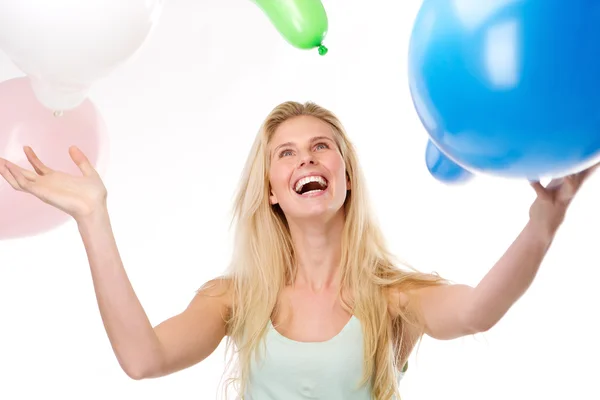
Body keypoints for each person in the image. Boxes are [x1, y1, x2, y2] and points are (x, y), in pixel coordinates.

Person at [0, 101, 596, 400]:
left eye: (321, 147)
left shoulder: (392, 298)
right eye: (286, 153)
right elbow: (143, 359)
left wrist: (544, 222)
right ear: (270, 189)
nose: (306, 158)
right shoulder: (235, 299)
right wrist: (93, 217)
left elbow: (474, 312)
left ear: (347, 175)